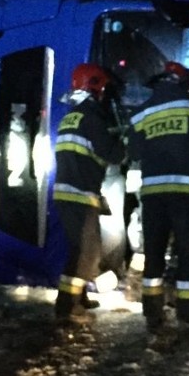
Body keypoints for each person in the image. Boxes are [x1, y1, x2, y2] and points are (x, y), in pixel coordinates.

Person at [128, 62, 189, 331]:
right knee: (188, 254)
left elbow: (133, 153)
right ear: (182, 82)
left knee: (154, 255)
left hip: (152, 195)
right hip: (184, 193)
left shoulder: (139, 113)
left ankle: (152, 315)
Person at [52, 63, 125, 323]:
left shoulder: (72, 116)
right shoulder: (93, 118)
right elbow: (114, 154)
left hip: (67, 192)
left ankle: (78, 298)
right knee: (86, 252)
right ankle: (68, 307)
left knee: (80, 249)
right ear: (95, 87)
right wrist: (126, 139)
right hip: (80, 194)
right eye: (104, 89)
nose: (105, 95)